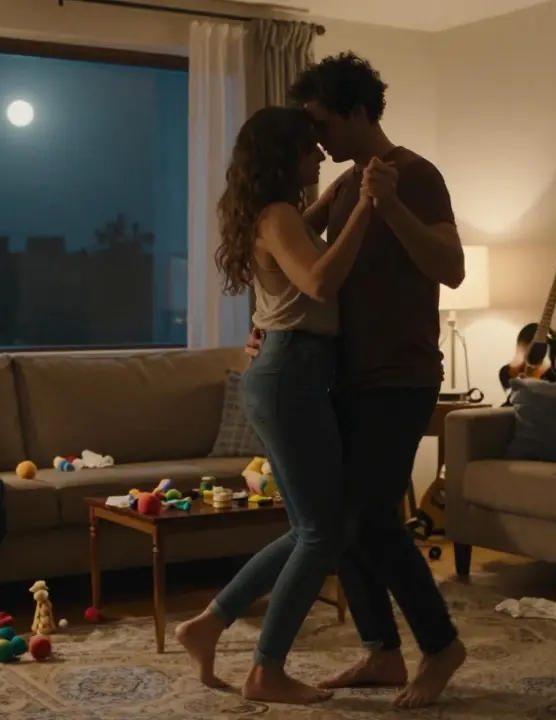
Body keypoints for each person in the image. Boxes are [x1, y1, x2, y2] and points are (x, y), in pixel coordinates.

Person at [249, 51, 469, 709]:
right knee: (338, 522)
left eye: (321, 121)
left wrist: (392, 207)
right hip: (339, 376)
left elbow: (452, 268)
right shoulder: (340, 188)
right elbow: (286, 260)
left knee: (372, 517)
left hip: (400, 374)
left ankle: (441, 645)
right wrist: (266, 325)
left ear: (355, 112)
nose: (314, 138)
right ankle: (380, 650)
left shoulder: (417, 175)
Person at [174, 105, 387, 705]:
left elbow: (303, 245)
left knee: (311, 529)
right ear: (281, 155)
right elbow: (319, 282)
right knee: (322, 534)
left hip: (286, 371)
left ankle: (208, 625)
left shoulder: (275, 214)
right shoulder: (276, 215)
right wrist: (367, 208)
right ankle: (267, 669)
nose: (319, 155)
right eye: (307, 148)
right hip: (290, 373)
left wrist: (338, 199)